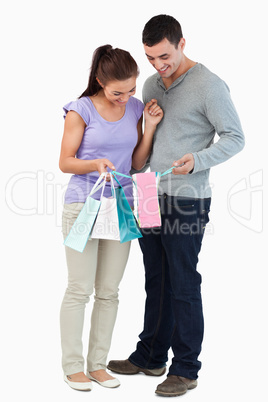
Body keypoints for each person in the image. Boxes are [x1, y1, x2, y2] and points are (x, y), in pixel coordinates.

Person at [108, 15, 245, 397]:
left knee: (183, 284)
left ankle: (186, 368)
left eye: (164, 56)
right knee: (156, 280)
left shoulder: (209, 86)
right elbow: (145, 148)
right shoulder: (152, 84)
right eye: (151, 58)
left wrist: (197, 160)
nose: (158, 66)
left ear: (182, 43)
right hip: (150, 191)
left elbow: (236, 138)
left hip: (187, 199)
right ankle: (151, 356)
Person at [59, 44, 163, 391]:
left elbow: (136, 164)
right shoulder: (81, 110)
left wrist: (148, 128)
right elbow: (65, 162)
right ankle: (73, 367)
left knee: (109, 291)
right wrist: (95, 163)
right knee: (79, 288)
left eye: (131, 89)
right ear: (101, 80)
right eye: (118, 91)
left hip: (121, 207)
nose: (126, 97)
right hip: (83, 205)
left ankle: (98, 365)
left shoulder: (135, 108)